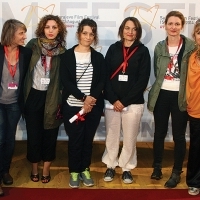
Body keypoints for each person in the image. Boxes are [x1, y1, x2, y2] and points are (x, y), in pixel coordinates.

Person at [147, 10, 195, 188]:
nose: (173, 27)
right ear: (164, 25)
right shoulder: (159, 47)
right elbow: (156, 73)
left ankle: (176, 171)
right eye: (170, 24)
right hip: (162, 95)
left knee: (179, 136)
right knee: (159, 133)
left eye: (177, 24)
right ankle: (157, 167)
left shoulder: (191, 46)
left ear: (182, 26)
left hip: (181, 96)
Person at [102, 17, 151, 184]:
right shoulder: (113, 49)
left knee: (130, 137)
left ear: (138, 32)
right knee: (112, 135)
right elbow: (105, 76)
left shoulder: (143, 51)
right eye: (127, 28)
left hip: (133, 103)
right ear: (122, 29)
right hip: (111, 102)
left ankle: (127, 168)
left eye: (134, 29)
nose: (130, 32)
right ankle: (110, 164)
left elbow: (142, 80)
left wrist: (125, 101)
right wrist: (114, 99)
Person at [60, 18, 106, 188]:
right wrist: (83, 98)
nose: (88, 37)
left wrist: (90, 100)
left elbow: (102, 80)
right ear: (78, 33)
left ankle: (84, 169)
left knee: (88, 140)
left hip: (92, 107)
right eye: (85, 33)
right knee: (75, 140)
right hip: (72, 106)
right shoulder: (66, 56)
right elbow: (66, 81)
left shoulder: (98, 57)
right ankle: (73, 171)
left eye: (91, 34)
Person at [24, 14, 67, 183]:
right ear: (42, 28)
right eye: (48, 27)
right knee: (33, 134)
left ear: (59, 30)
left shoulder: (63, 51)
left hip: (53, 97)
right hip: (33, 95)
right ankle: (34, 167)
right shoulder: (32, 46)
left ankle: (46, 168)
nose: (50, 30)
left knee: (50, 133)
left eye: (54, 27)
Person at [0, 19, 32, 196]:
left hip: (14, 104)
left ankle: (5, 170)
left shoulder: (26, 53)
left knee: (9, 140)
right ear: (10, 33)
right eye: (21, 33)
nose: (24, 36)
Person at [186, 19, 200, 196]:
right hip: (195, 109)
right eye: (199, 32)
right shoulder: (191, 56)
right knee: (196, 147)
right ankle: (194, 181)